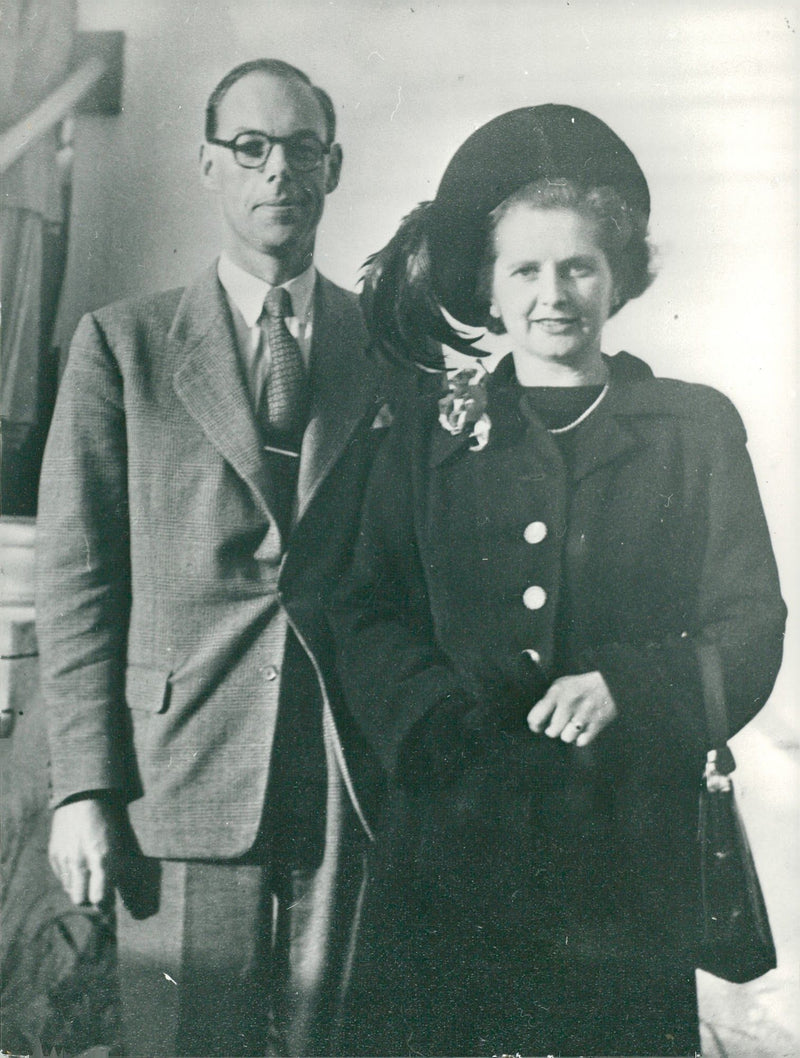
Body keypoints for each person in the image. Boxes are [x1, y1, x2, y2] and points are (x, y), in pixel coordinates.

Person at [330, 104, 787, 1056]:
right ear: (489, 290)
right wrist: (435, 726)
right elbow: (360, 604)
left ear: (619, 277)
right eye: (525, 270)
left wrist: (634, 686)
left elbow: (748, 619)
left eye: (578, 265)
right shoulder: (428, 434)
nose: (554, 293)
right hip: (448, 846)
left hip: (624, 855)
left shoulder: (693, 429)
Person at [35, 58, 392, 1058]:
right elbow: (78, 587)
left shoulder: (386, 352)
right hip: (178, 768)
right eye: (251, 148)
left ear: (332, 167)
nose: (279, 170)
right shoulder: (123, 348)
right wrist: (82, 787)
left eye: (302, 150)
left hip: (345, 766)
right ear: (209, 164)